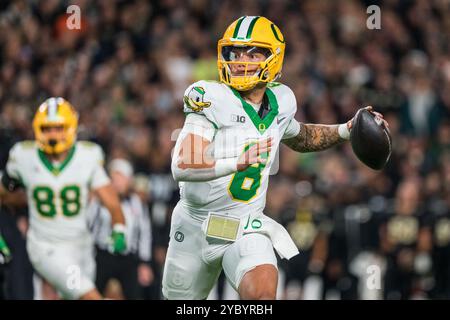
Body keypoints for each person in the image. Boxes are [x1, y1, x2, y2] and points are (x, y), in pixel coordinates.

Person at [163, 16, 388, 300]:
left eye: (253, 53)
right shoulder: (210, 97)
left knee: (262, 298)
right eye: (235, 53)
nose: (241, 61)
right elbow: (182, 165)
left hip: (244, 225)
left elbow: (300, 136)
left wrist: (346, 130)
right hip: (195, 225)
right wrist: (236, 162)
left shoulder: (282, 100)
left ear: (273, 58)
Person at [0, 97, 127, 300]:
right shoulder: (23, 156)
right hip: (45, 246)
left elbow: (110, 199)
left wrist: (119, 227)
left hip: (81, 244)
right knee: (89, 295)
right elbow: (4, 194)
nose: (53, 134)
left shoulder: (88, 156)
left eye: (59, 128)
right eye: (48, 128)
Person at [88, 158, 153, 299]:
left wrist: (144, 262)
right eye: (114, 177)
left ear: (129, 180)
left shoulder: (137, 203)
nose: (117, 182)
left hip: (127, 258)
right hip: (102, 255)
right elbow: (89, 225)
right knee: (92, 293)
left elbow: (144, 233)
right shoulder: (100, 200)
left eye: (121, 178)